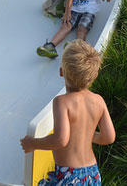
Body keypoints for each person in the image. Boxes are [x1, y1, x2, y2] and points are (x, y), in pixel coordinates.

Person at [20, 40, 116, 186]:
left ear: (61, 72)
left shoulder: (62, 102)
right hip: (92, 174)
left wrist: (33, 143)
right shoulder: (98, 101)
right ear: (95, 76)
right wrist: (85, 135)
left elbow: (60, 140)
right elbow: (108, 137)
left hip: (68, 175)